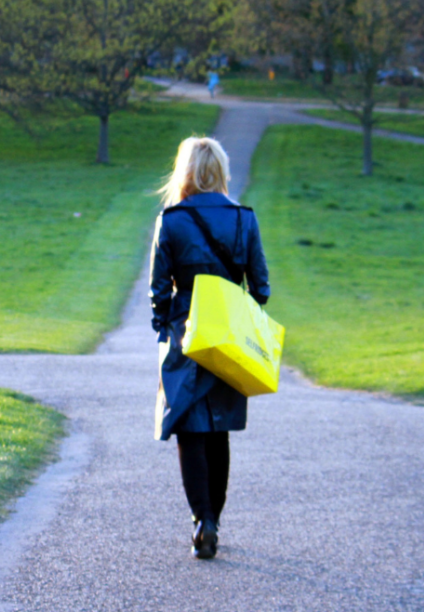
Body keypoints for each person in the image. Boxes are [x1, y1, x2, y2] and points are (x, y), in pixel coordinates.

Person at [150, 137, 270, 560]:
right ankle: (212, 519)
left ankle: (202, 519)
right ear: (219, 171)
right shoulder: (244, 219)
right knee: (218, 429)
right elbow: (262, 288)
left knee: (188, 427)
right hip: (229, 335)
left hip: (185, 333)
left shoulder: (171, 221)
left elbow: (158, 293)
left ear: (184, 172)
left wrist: (165, 330)